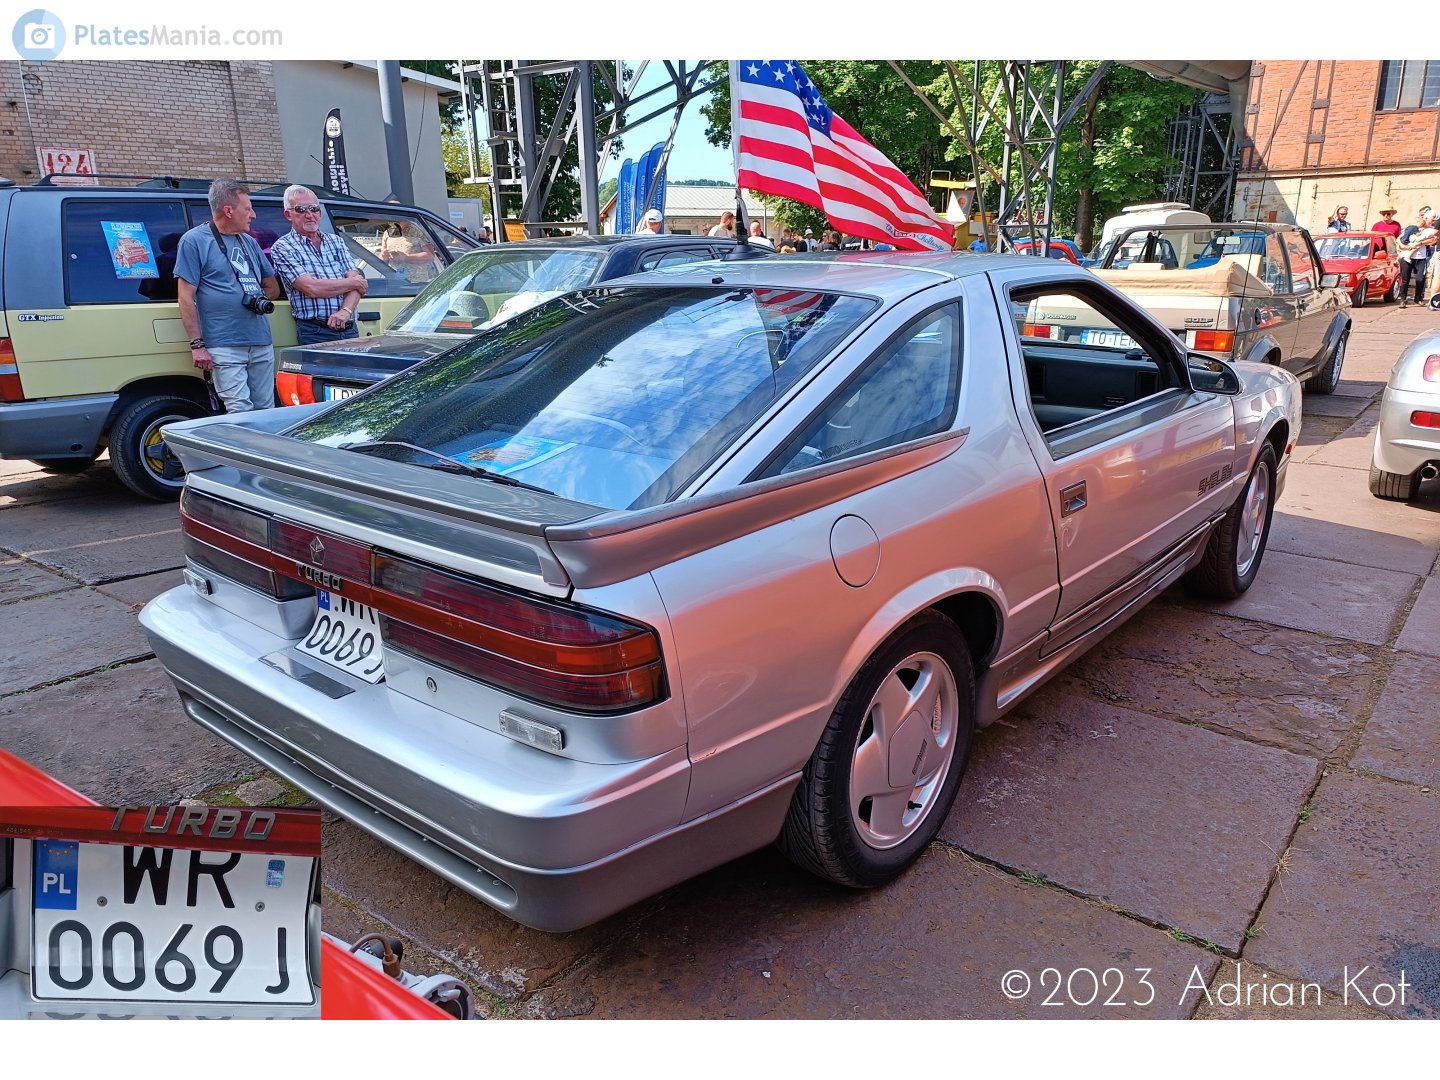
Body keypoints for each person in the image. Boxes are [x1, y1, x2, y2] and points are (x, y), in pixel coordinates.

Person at [175, 178, 280, 413]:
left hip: (260, 340)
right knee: (240, 410)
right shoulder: (194, 241)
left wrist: (257, 299)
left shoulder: (250, 242)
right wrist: (197, 345)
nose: (253, 215)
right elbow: (185, 298)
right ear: (228, 210)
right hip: (224, 344)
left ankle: (261, 451)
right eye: (248, 209)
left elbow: (272, 287)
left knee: (266, 410)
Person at [267, 185, 368, 346]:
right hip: (315, 332)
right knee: (321, 373)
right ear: (288, 214)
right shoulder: (283, 247)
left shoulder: (336, 241)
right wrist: (354, 282)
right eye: (301, 209)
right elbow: (312, 288)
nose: (309, 215)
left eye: (313, 208)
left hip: (349, 328)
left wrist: (345, 311)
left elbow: (357, 287)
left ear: (320, 212)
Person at [1398, 208, 1437, 306]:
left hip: (1421, 257)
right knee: (1405, 278)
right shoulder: (1412, 228)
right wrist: (1402, 246)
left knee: (1420, 278)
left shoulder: (1432, 230)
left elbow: (1433, 240)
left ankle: (1418, 298)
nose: (1422, 218)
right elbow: (1399, 239)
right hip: (1407, 256)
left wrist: (1420, 243)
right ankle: (1403, 299)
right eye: (1421, 216)